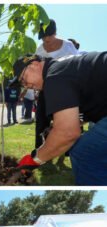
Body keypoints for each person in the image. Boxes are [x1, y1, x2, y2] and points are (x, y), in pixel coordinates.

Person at [13, 52, 107, 185]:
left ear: (33, 65)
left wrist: (35, 159)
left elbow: (67, 133)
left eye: (23, 79)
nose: (26, 86)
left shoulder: (54, 76)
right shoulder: (61, 67)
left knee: (84, 153)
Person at [34, 19, 79, 150]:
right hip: (46, 90)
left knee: (66, 122)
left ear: (55, 33)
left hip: (65, 91)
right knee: (41, 120)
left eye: (48, 35)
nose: (45, 39)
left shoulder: (68, 46)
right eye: (43, 37)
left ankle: (68, 149)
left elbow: (76, 66)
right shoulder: (40, 50)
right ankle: (39, 149)